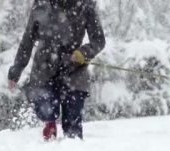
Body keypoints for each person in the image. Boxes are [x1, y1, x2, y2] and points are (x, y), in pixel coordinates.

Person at [7, 0, 106, 140]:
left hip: (74, 70)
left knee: (73, 120)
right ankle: (49, 124)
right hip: (44, 69)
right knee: (45, 107)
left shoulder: (86, 5)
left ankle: (74, 148)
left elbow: (99, 40)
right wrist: (15, 71)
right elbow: (27, 40)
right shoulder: (41, 4)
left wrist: (83, 53)